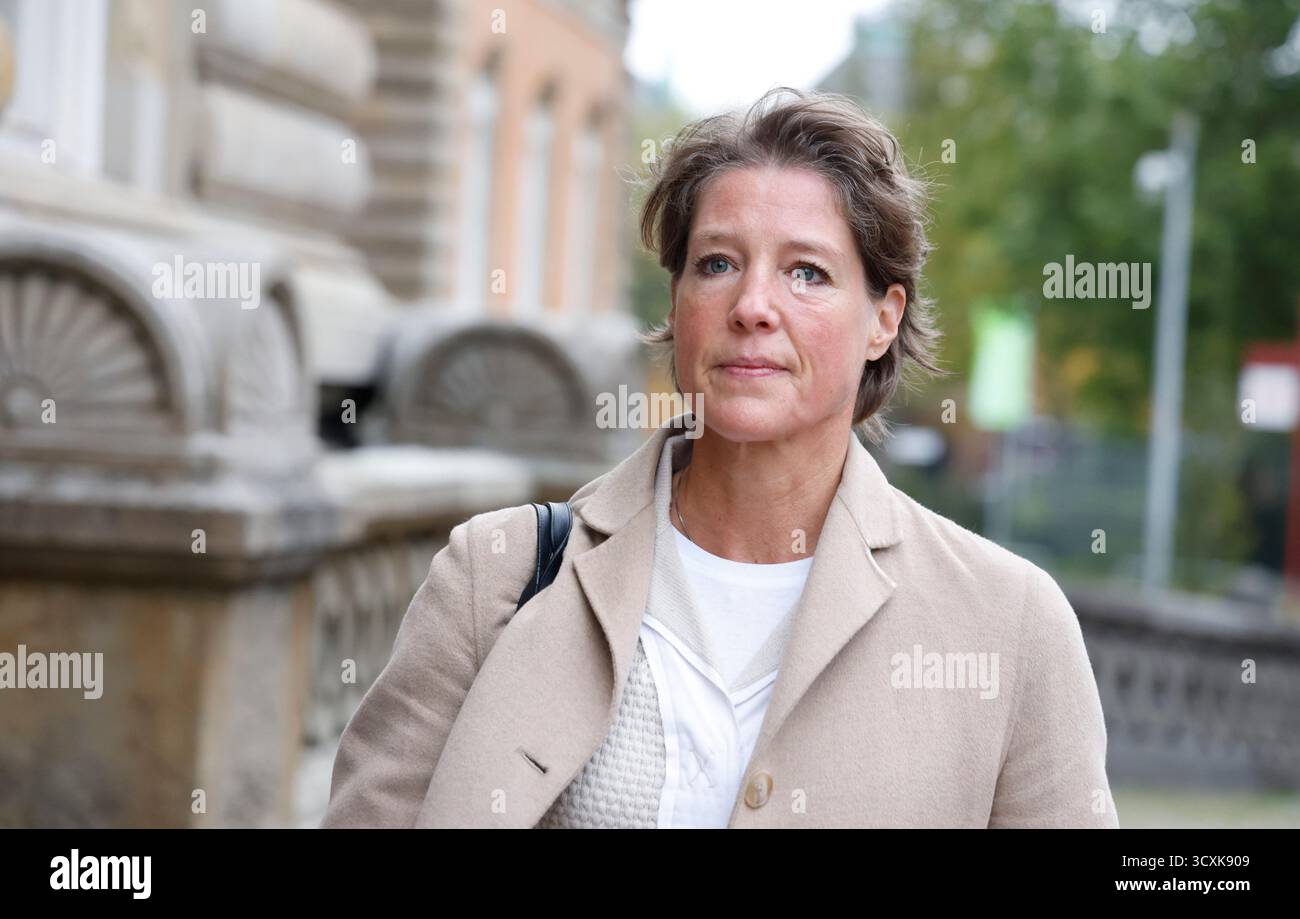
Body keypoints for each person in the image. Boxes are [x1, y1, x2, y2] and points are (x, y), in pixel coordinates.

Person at [321, 86, 1119, 828]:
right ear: (675, 302)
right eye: (717, 263)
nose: (752, 307)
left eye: (807, 272)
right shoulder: (491, 579)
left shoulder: (1011, 627)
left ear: (883, 317)